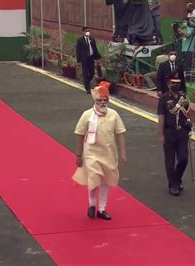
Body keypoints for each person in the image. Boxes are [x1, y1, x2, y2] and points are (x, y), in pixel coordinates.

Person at [73, 84, 127, 220]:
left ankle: (102, 209)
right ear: (94, 101)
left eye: (105, 100)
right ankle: (92, 204)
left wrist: (123, 154)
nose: (102, 102)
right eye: (99, 100)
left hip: (109, 154)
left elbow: (120, 133)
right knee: (94, 177)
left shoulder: (114, 115)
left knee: (105, 181)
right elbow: (79, 133)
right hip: (91, 153)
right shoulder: (87, 115)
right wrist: (78, 155)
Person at [157, 80, 192, 196]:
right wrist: (161, 134)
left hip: (182, 132)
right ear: (168, 85)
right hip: (169, 131)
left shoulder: (184, 98)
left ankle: (177, 178)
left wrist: (189, 124)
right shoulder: (164, 99)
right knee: (170, 161)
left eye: (178, 83)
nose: (176, 85)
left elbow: (187, 113)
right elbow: (161, 117)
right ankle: (173, 185)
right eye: (173, 83)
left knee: (183, 158)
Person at [76, 27, 101, 94]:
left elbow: (95, 49)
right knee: (85, 73)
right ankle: (88, 88)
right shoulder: (80, 40)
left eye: (88, 31)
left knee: (92, 72)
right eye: (86, 31)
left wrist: (98, 57)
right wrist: (78, 60)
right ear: (83, 32)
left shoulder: (92, 39)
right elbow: (78, 50)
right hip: (84, 59)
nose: (88, 32)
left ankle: (86, 82)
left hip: (91, 58)